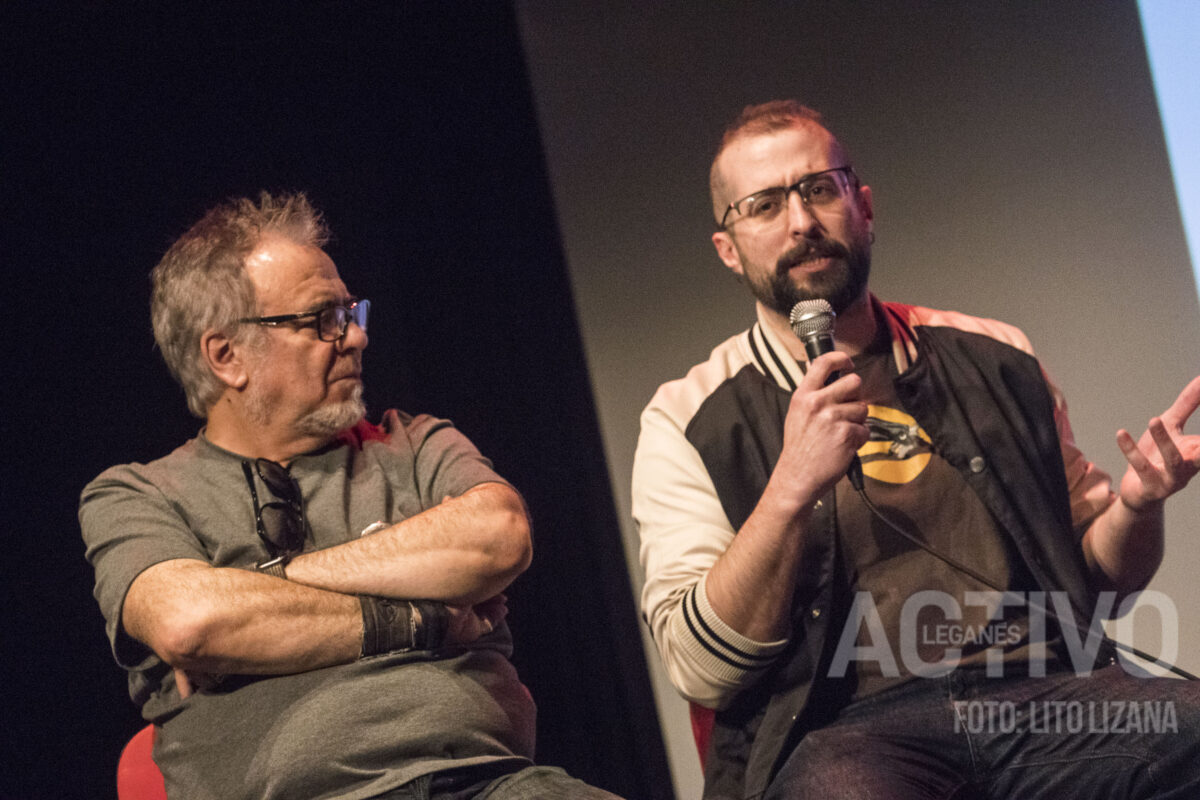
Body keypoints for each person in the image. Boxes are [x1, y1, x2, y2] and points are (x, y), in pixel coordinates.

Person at [633, 101, 1200, 799]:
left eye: (819, 189)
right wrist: (791, 488)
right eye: (764, 205)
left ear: (863, 206)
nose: (802, 222)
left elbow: (1101, 583)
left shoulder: (996, 358)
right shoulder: (688, 418)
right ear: (728, 247)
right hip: (851, 734)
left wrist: (1139, 508)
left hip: (1045, 698)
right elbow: (701, 667)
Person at [81, 192, 622, 800]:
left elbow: (499, 536)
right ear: (226, 356)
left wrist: (273, 587)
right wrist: (429, 619)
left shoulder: (414, 445)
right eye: (322, 321)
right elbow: (192, 621)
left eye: (352, 313)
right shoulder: (136, 494)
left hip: (492, 785)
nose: (357, 337)